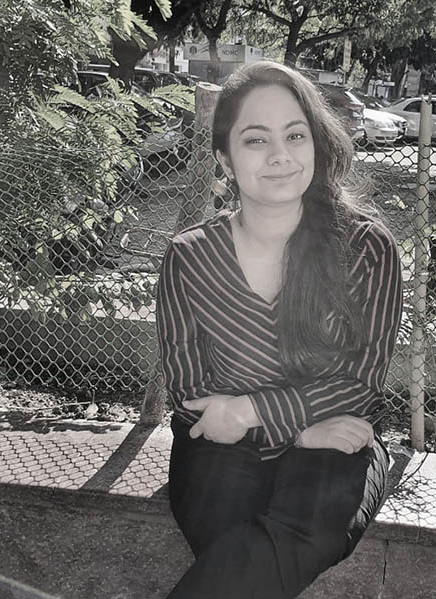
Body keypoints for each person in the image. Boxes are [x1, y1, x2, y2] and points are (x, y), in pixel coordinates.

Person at [156, 59, 403, 599]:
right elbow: (192, 395)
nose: (280, 155)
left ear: (316, 144)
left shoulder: (366, 248)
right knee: (226, 519)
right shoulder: (189, 257)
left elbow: (361, 381)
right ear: (225, 158)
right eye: (255, 139)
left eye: (295, 135)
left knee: (308, 525)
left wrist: (256, 412)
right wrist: (297, 427)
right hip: (222, 449)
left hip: (333, 442)